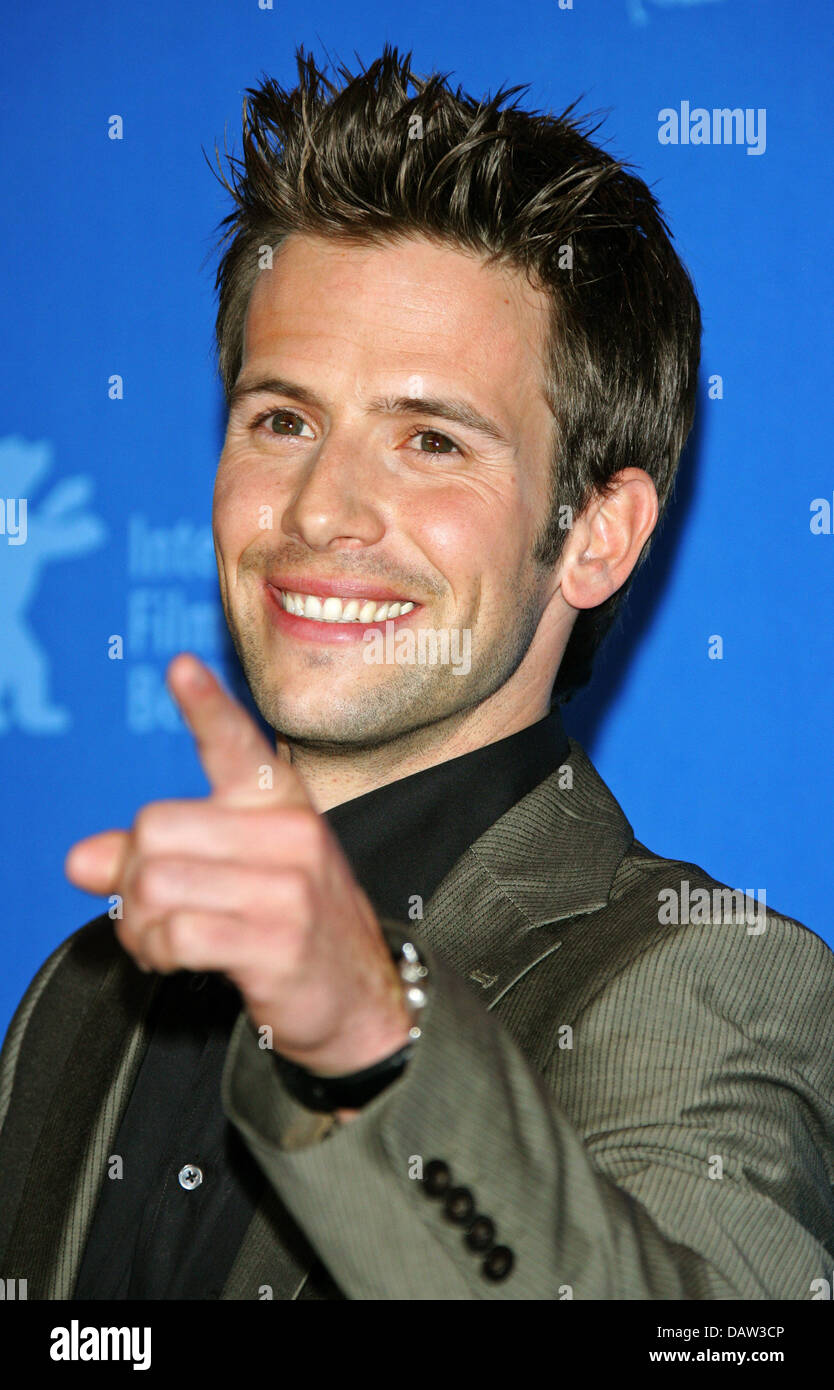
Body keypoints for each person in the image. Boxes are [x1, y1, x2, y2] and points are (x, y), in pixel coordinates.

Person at [1, 44, 832, 1302]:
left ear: (596, 534)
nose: (322, 510)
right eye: (282, 418)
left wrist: (373, 1046)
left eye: (431, 440)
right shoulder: (83, 988)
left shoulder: (709, 978)